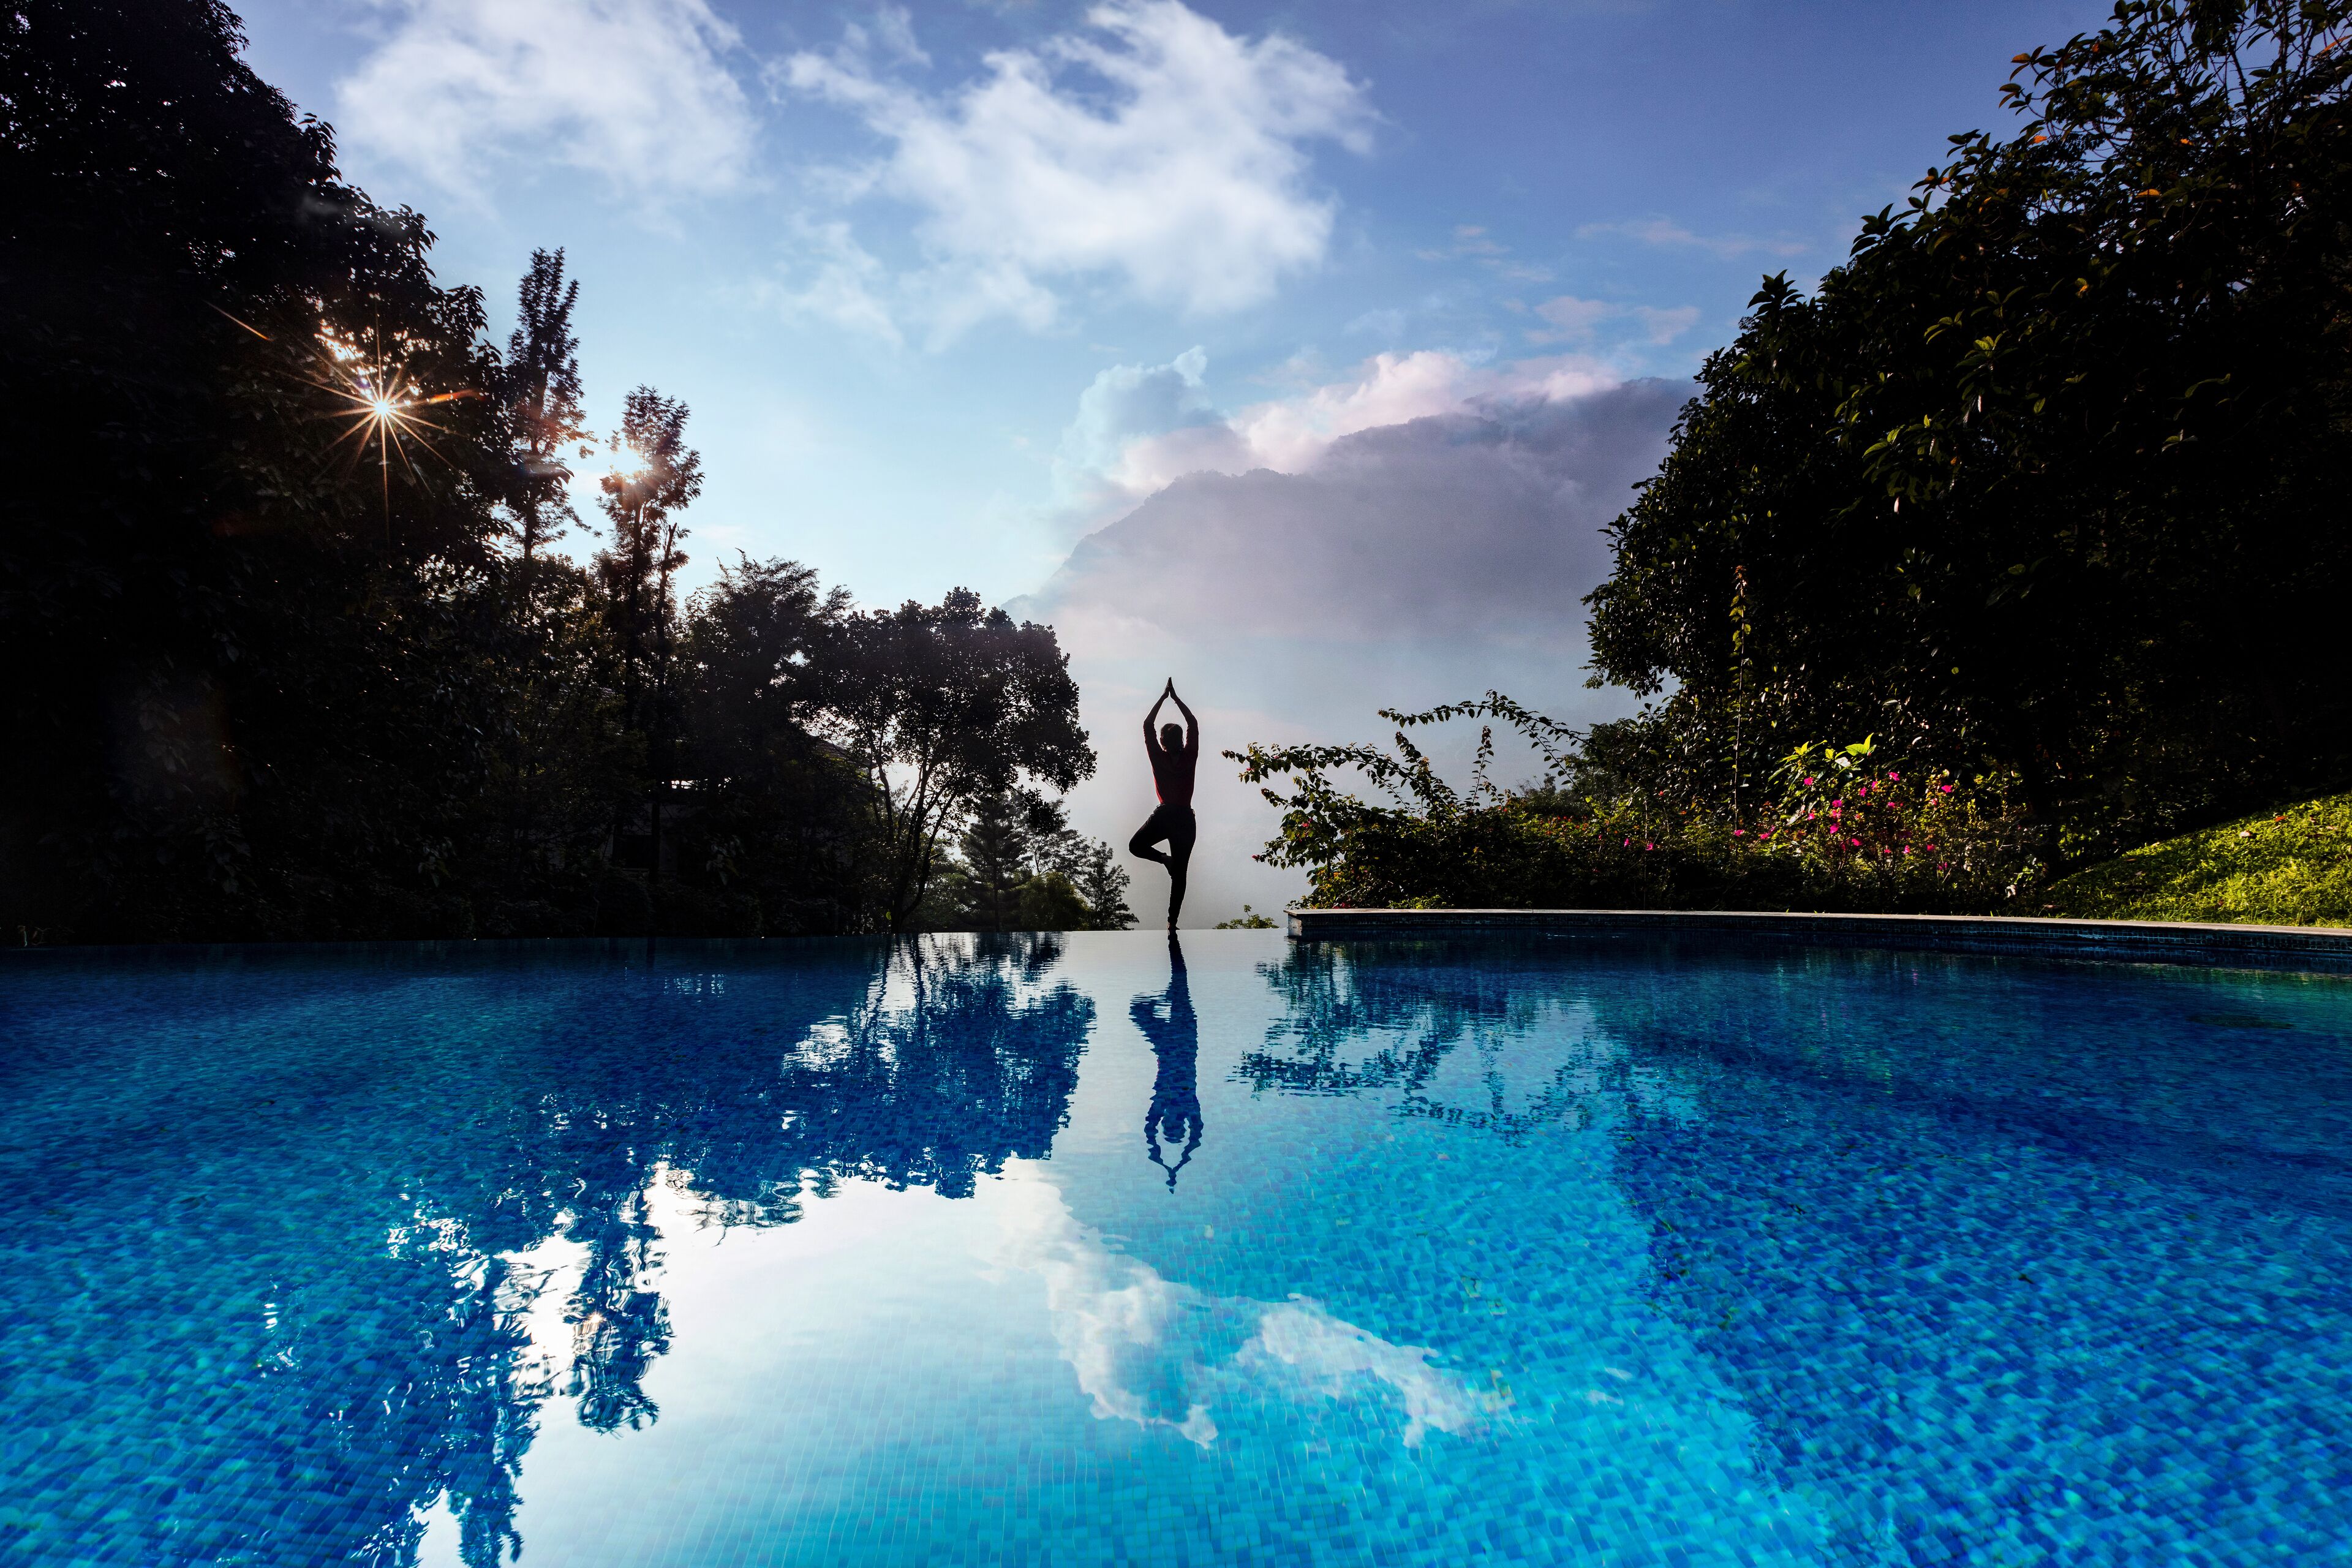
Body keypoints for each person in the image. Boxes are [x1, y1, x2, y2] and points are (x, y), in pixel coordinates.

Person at [1129, 679, 1199, 929]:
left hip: (1165, 814)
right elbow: (1193, 724)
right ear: (1181, 740)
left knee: (1136, 846)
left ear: (1162, 741)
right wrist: (1176, 698)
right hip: (1185, 819)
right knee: (1181, 874)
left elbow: (1148, 725)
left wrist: (1163, 697)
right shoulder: (1190, 756)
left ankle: (1163, 860)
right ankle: (1172, 922)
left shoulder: (1157, 756)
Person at [1134, 933, 1202, 1189]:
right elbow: (1196, 1138)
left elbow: (1149, 1129)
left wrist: (1161, 1159)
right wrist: (1177, 1162)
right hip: (1183, 1041)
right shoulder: (1189, 1105)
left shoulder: (1163, 1104)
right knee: (1180, 988)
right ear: (1181, 1122)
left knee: (1139, 1009)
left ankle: (1165, 994)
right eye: (1175, 1125)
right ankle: (1170, 981)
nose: (1169, 1121)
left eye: (1168, 1124)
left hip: (1167, 1046)